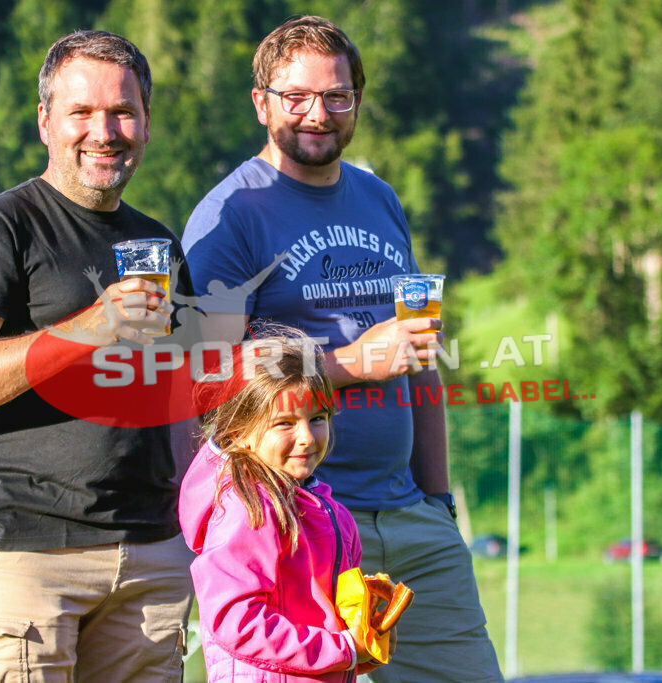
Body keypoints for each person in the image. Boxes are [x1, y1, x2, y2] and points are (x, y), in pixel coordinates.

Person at [182, 15, 503, 683]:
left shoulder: (379, 197)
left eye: (337, 96)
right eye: (296, 97)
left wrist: (437, 499)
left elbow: (418, 361)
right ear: (260, 102)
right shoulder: (231, 215)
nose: (318, 114)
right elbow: (210, 384)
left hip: (412, 515)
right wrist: (355, 363)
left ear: (357, 99)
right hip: (299, 520)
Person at [0, 30, 195, 681]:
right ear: (46, 121)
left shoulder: (158, 242)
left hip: (149, 558)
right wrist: (91, 325)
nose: (105, 131)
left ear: (147, 124)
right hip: (27, 556)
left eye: (123, 112)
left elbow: (177, 399)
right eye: (82, 113)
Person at [179, 331, 386, 681]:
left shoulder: (331, 511)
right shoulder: (249, 508)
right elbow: (237, 621)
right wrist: (341, 650)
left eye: (317, 418)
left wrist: (363, 637)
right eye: (285, 424)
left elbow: (325, 617)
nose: (307, 437)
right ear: (237, 433)